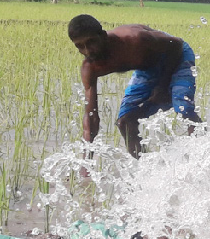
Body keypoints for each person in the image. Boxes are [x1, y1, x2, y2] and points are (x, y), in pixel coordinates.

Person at [67, 14, 202, 159]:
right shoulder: (90, 68)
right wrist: (85, 164)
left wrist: (162, 87)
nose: (88, 51)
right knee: (125, 122)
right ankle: (145, 169)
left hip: (176, 55)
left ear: (103, 36)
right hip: (147, 68)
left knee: (184, 108)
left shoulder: (134, 39)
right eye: (80, 46)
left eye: (91, 42)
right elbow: (91, 116)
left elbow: (176, 44)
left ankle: (204, 152)